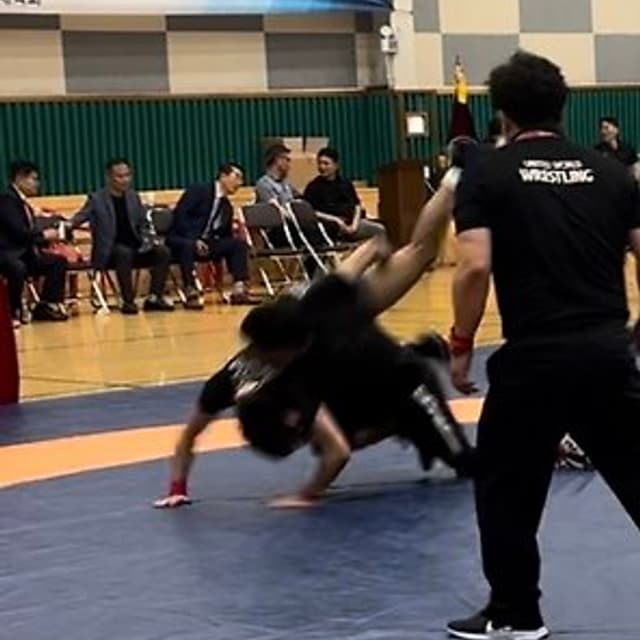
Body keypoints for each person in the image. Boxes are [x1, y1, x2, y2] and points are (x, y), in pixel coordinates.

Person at [446, 51, 640, 640]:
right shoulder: (611, 173)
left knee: (506, 488)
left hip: (534, 359)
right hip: (607, 352)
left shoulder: (486, 171)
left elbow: (474, 265)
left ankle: (515, 613)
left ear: (502, 113)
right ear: (563, 106)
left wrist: (460, 342)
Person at [154, 161, 472, 509]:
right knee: (329, 432)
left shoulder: (316, 313)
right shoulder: (240, 376)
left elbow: (357, 261)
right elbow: (189, 436)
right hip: (344, 344)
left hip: (350, 317)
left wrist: (377, 249)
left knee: (420, 253)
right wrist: (177, 487)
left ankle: (454, 176)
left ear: (287, 350)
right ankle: (413, 371)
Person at [72, 159, 174, 315]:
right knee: (123, 252)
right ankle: (128, 301)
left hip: (136, 247)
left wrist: (149, 239)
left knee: (163, 251)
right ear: (109, 177)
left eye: (127, 175)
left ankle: (154, 297)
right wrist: (66, 225)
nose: (125, 180)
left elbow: (142, 222)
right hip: (110, 252)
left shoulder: (133, 197)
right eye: (119, 176)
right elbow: (81, 216)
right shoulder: (97, 199)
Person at [167, 163, 258, 308]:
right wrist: (194, 240)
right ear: (223, 176)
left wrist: (243, 246)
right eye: (237, 177)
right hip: (182, 238)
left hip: (207, 242)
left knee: (237, 244)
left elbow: (225, 235)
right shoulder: (199, 191)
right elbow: (180, 216)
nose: (240, 183)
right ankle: (190, 290)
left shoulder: (226, 206)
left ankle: (239, 290)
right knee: (188, 246)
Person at [0, 160, 68, 324]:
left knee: (57, 262)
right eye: (34, 179)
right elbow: (18, 231)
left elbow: (28, 232)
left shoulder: (22, 202)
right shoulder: (7, 200)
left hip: (25, 253)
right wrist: (44, 234)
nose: (37, 183)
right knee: (17, 268)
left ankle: (46, 306)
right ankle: (13, 311)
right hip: (8, 253)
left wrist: (47, 237)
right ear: (20, 178)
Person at [303, 147, 385, 242]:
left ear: (336, 165)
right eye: (320, 163)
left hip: (352, 223)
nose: (322, 167)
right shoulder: (313, 186)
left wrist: (354, 225)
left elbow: (357, 205)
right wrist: (335, 220)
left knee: (381, 230)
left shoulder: (345, 184)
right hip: (331, 226)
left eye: (326, 163)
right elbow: (311, 211)